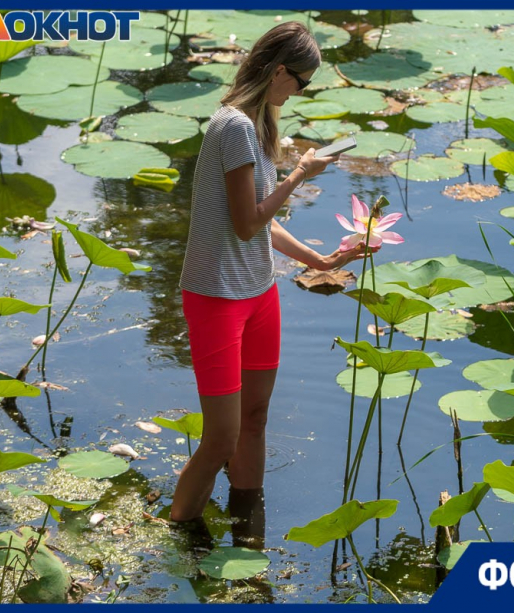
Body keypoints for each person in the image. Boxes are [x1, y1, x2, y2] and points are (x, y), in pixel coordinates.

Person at [171, 22, 371, 523]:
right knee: (220, 439)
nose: (302, 92)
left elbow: (266, 224)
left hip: (259, 292)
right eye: (302, 82)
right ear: (280, 71)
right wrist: (301, 173)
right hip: (216, 295)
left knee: (255, 421)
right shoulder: (233, 125)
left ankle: (248, 525)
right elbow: (245, 224)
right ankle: (177, 530)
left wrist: (320, 261)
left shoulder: (259, 125)